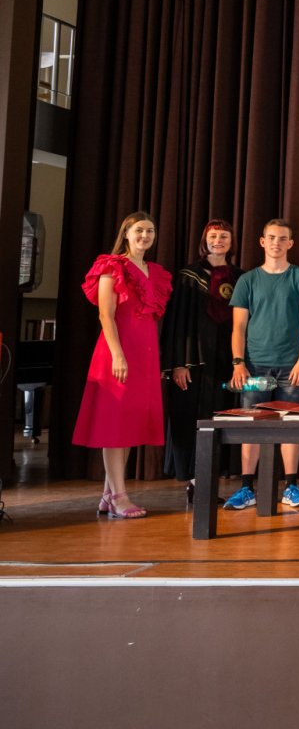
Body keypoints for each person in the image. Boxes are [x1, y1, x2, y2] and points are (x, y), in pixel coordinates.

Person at [77, 211, 171, 519]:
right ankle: (119, 496)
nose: (145, 235)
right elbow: (106, 315)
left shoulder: (155, 272)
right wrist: (118, 354)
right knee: (115, 425)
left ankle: (109, 494)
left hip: (145, 355)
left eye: (150, 230)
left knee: (128, 424)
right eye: (139, 230)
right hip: (117, 352)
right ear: (126, 234)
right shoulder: (111, 266)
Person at [223, 219, 299, 511]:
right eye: (272, 238)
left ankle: (290, 487)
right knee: (253, 426)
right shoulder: (248, 280)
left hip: (291, 368)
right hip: (255, 366)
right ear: (262, 241)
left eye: (283, 238)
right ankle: (246, 489)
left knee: (291, 427)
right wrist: (239, 363)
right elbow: (238, 327)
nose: (277, 243)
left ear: (290, 243)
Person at [160, 219, 240, 505]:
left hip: (226, 363)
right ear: (204, 241)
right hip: (194, 362)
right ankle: (195, 482)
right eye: (213, 236)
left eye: (224, 236)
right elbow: (177, 323)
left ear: (231, 242)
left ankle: (211, 481)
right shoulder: (188, 276)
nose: (218, 241)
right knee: (191, 420)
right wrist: (179, 363)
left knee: (220, 419)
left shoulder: (239, 277)